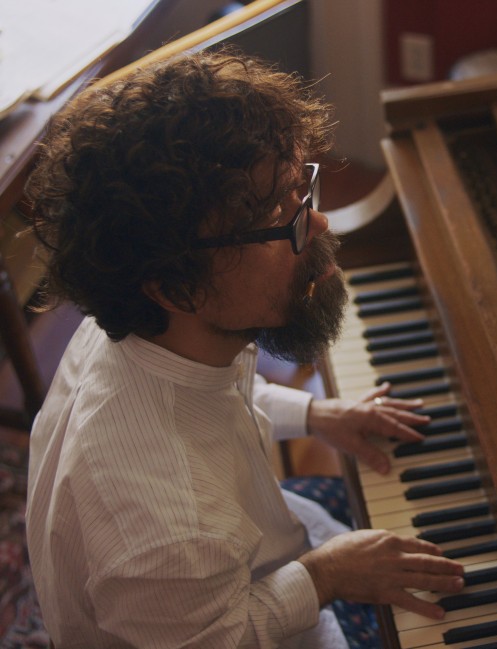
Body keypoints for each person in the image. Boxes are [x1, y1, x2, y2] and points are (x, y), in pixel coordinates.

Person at [25, 49, 465, 648]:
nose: (318, 225)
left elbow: (217, 403)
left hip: (236, 551)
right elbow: (223, 636)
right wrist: (327, 575)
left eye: (299, 190)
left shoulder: (152, 332)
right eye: (280, 217)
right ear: (175, 286)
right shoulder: (162, 528)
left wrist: (316, 414)